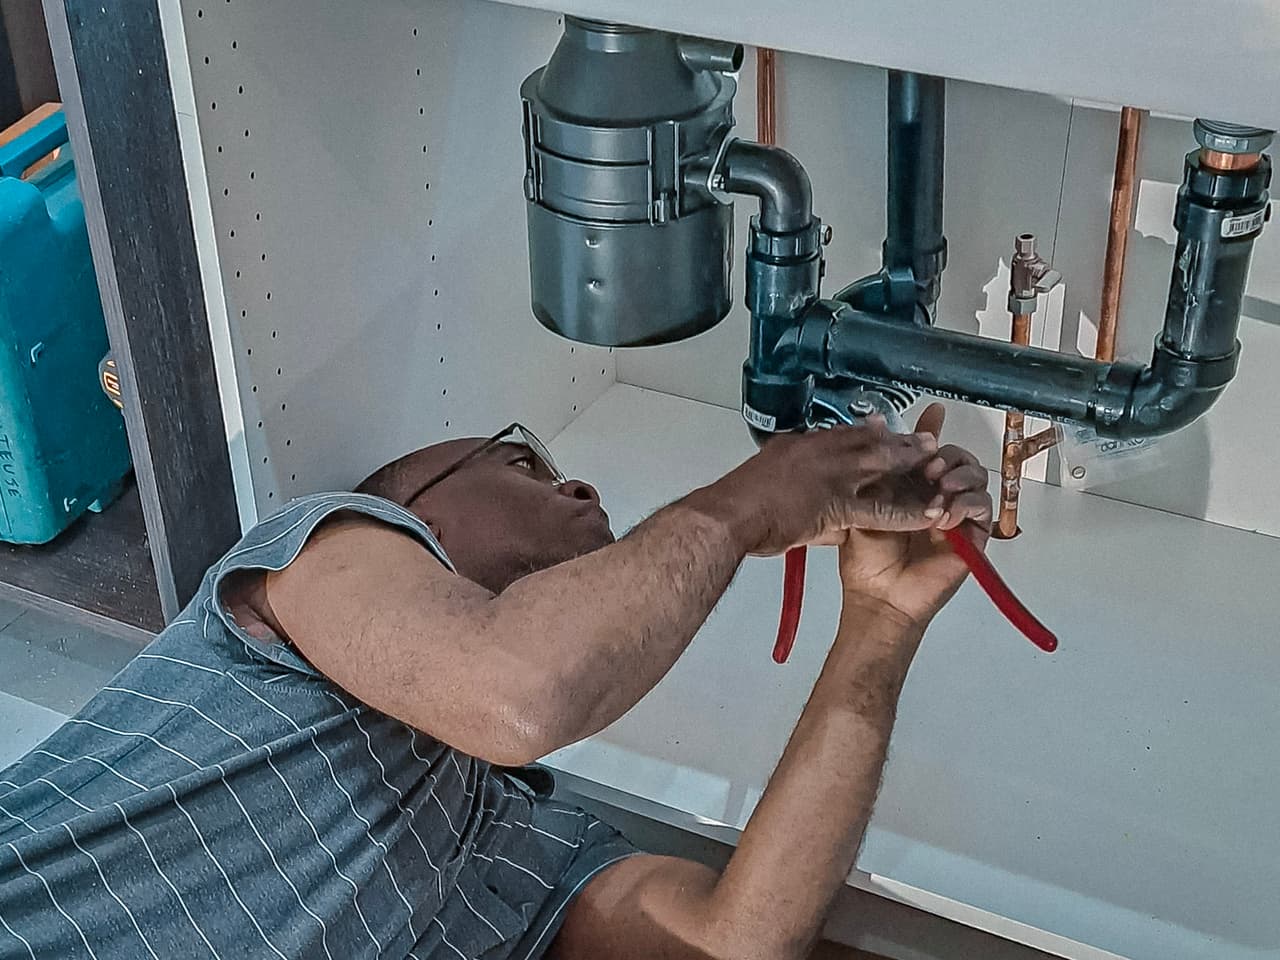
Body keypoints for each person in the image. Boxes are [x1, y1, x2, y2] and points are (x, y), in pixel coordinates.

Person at [0, 406, 991, 960]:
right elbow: (519, 691)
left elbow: (736, 945)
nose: (578, 488)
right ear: (408, 506)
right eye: (522, 460)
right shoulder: (314, 552)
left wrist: (879, 622)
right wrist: (742, 505)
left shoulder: (514, 840)